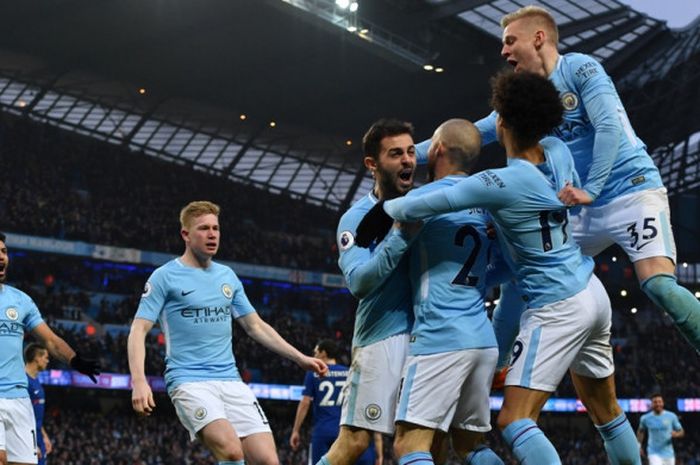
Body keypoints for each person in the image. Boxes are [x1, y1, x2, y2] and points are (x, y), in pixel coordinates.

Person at [357, 72, 640, 465]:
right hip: (585, 290)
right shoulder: (557, 151)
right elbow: (505, 264)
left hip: (547, 305)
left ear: (502, 123)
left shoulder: (497, 182)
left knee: (508, 420)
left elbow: (418, 205)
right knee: (605, 413)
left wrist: (378, 209)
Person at [472, 5, 700, 352]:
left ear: (538, 38)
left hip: (631, 190)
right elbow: (475, 133)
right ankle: (494, 365)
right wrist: (417, 150)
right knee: (522, 274)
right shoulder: (528, 95)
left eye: (509, 41)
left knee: (658, 285)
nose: (503, 51)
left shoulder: (580, 67)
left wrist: (591, 189)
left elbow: (608, 127)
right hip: (576, 207)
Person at [127, 201, 327, 465]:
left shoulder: (227, 276)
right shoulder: (164, 277)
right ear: (185, 235)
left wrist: (299, 358)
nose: (212, 234)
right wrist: (139, 381)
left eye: (216, 228)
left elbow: (255, 326)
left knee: (269, 460)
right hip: (189, 381)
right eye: (203, 229)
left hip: (231, 382)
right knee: (232, 452)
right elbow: (138, 329)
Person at [389, 119, 504, 465]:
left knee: (409, 446)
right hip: (482, 339)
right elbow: (511, 268)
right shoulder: (489, 205)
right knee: (469, 446)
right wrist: (483, 280)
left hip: (439, 336)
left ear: (436, 149)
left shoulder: (422, 199)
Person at [316, 119, 419, 465]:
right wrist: (401, 233)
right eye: (395, 154)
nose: (407, 160)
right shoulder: (355, 219)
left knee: (428, 442)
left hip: (430, 338)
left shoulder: (428, 202)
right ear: (372, 165)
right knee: (355, 441)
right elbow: (359, 282)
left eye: (410, 151)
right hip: (381, 337)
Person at [0, 231, 100, 465]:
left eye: (3, 251)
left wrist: (75, 361)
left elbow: (51, 341)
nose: (1, 257)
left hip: (18, 398)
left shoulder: (21, 300)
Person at [290, 339, 380, 465]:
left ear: (324, 353)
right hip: (344, 431)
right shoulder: (349, 372)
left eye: (316, 352)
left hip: (322, 432)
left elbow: (305, 403)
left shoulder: (314, 373)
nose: (314, 355)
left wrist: (296, 430)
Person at [24, 344, 52, 465]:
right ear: (37, 358)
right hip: (25, 441)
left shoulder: (36, 381)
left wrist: (44, 435)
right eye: (45, 357)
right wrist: (31, 444)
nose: (48, 360)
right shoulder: (23, 382)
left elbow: (36, 417)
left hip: (38, 437)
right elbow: (19, 417)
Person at [637, 394, 684, 465]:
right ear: (651, 404)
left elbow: (681, 432)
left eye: (659, 401)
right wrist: (638, 446)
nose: (657, 404)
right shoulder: (645, 418)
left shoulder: (671, 416)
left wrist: (676, 434)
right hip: (653, 453)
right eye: (655, 402)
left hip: (669, 454)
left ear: (663, 403)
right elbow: (641, 432)